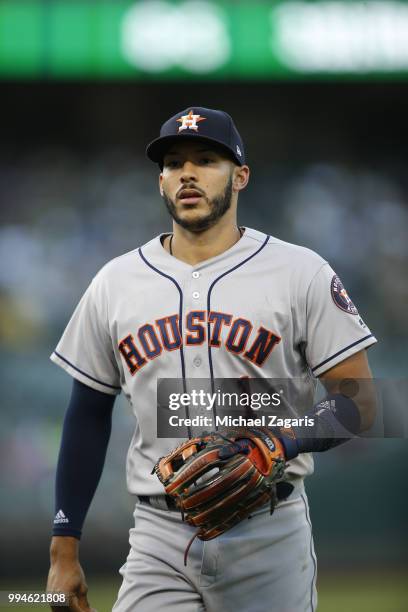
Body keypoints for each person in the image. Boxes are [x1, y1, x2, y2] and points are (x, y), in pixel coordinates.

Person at [46, 107, 377, 612]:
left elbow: (359, 401)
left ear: (240, 176)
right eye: (174, 163)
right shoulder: (115, 282)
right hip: (160, 532)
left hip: (269, 528)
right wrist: (63, 550)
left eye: (206, 159)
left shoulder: (300, 271)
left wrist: (278, 442)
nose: (188, 173)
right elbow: (87, 414)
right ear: (160, 182)